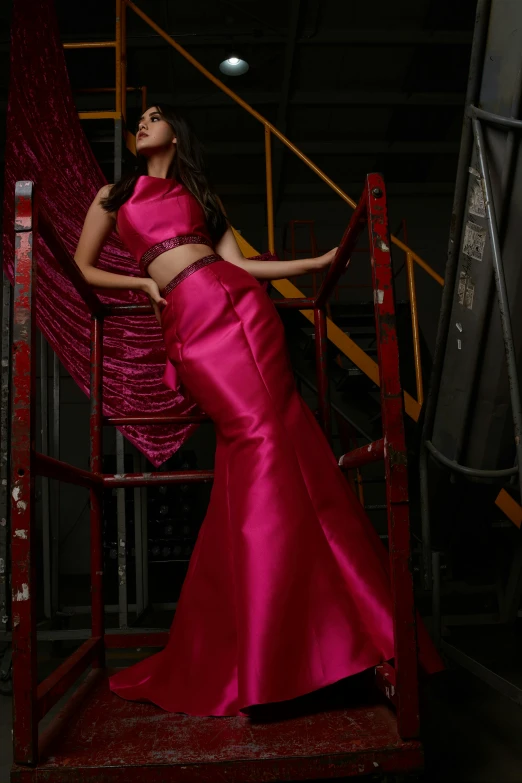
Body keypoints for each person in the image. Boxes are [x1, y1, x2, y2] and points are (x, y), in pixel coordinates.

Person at [74, 104, 443, 718]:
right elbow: (86, 269)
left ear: (176, 132)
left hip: (245, 308)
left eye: (156, 116)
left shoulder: (199, 193)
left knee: (287, 439)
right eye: (138, 119)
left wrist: (315, 264)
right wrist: (143, 286)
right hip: (192, 320)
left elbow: (239, 266)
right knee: (257, 441)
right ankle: (279, 647)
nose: (143, 123)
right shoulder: (113, 195)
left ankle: (333, 638)